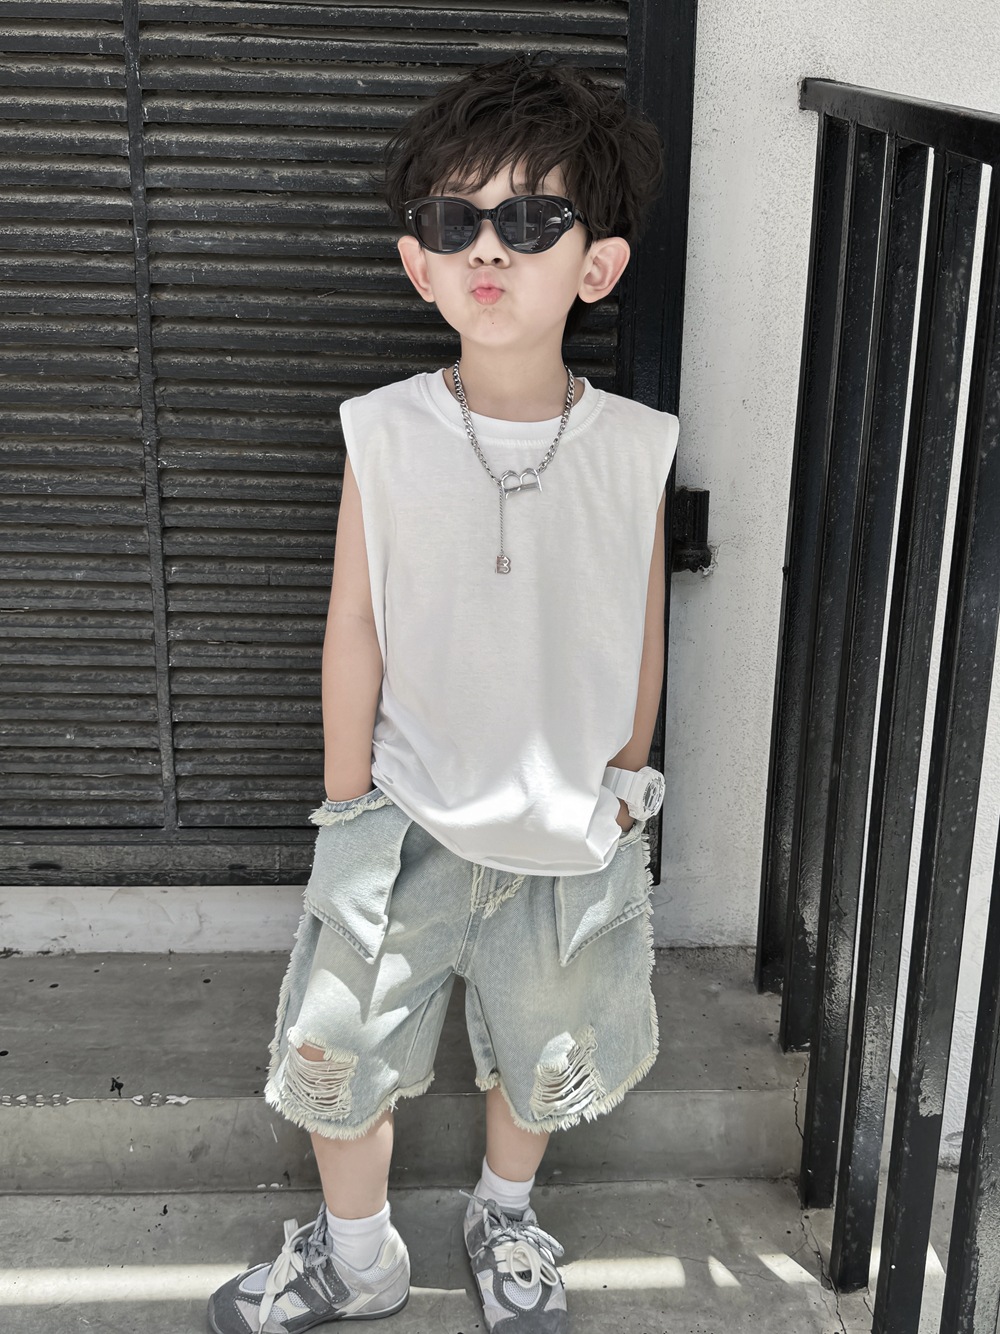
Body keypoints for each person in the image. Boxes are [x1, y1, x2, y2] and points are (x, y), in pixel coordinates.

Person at [208, 52, 677, 1334]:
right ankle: (356, 1255)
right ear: (417, 263)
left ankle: (503, 1214)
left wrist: (625, 781)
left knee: (548, 1040)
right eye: (455, 220)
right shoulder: (385, 428)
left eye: (530, 218)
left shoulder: (635, 447)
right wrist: (348, 799)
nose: (489, 248)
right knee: (340, 1046)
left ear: (595, 265)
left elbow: (641, 626)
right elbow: (353, 620)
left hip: (571, 824)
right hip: (403, 815)